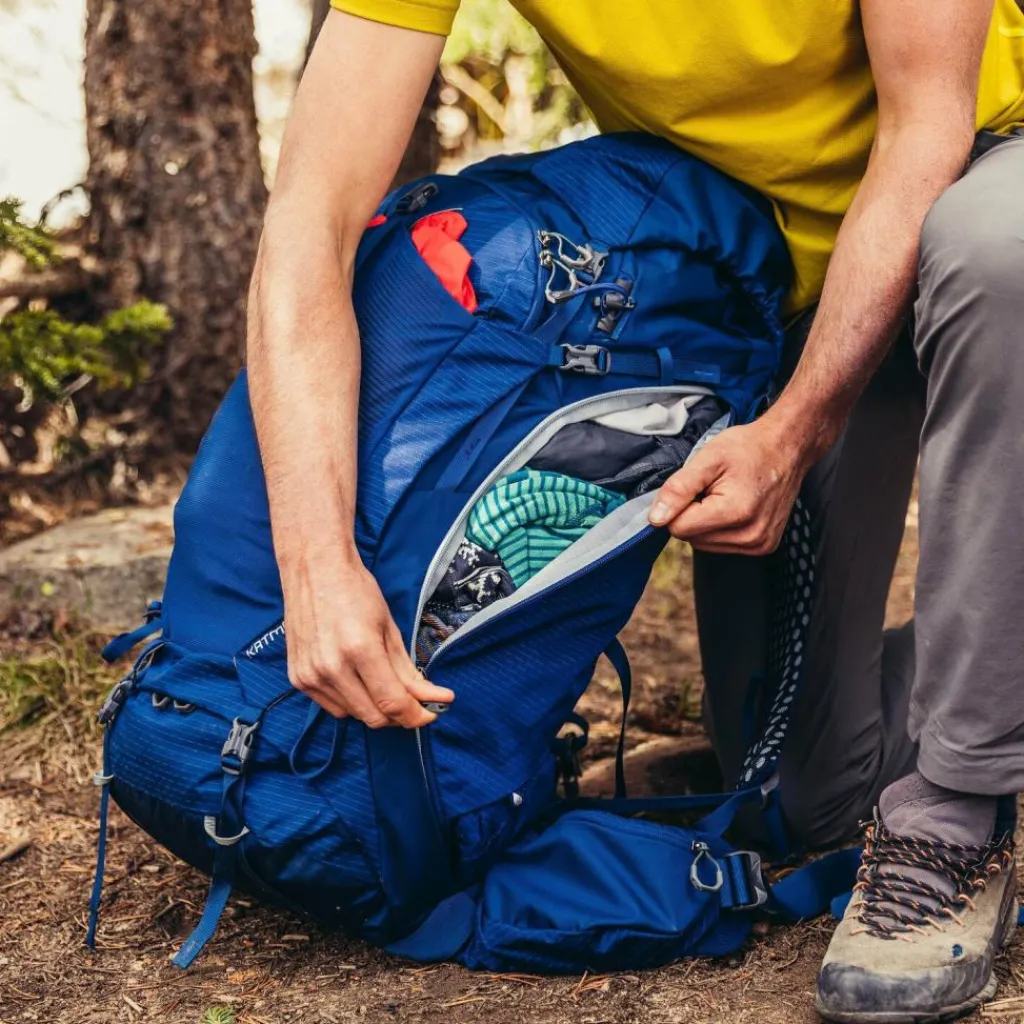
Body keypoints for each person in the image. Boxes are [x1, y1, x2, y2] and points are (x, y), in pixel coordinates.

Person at [246, 1, 1024, 1018]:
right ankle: (991, 667)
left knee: (999, 251)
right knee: (808, 796)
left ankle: (952, 814)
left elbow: (926, 126)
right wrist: (315, 564)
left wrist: (794, 430)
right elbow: (311, 218)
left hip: (976, 170)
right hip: (782, 274)